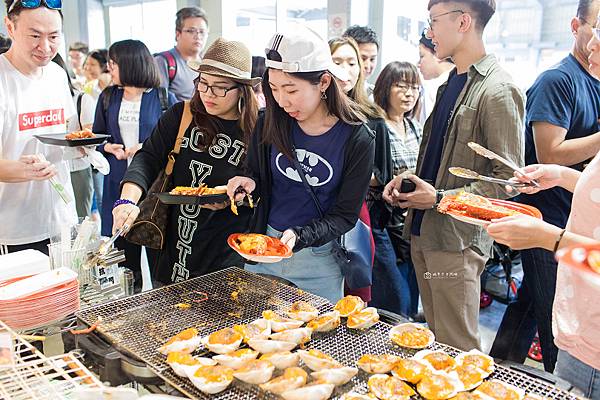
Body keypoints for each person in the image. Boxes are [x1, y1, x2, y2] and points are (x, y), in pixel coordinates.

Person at [383, 0, 525, 351]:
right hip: (424, 231)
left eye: (433, 21)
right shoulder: (450, 84)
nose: (429, 32)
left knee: (458, 348)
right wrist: (407, 180)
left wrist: (440, 199)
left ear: (463, 22)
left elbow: (508, 180)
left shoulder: (497, 88)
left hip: (457, 243)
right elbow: (438, 159)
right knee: (434, 341)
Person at [226, 25, 375, 304]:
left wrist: (301, 235)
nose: (282, 101)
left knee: (314, 341)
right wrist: (246, 182)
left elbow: (345, 215)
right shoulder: (269, 120)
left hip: (319, 261)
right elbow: (256, 174)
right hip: (262, 250)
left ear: (324, 83)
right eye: (274, 88)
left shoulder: (358, 137)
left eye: (291, 89)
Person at [489, 0, 600, 373]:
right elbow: (558, 157)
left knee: (546, 311)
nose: (594, 45)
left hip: (590, 342)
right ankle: (500, 366)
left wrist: (550, 239)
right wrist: (564, 176)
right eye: (595, 31)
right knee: (537, 302)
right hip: (559, 226)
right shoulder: (560, 80)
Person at [112, 38, 260, 285]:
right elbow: (147, 157)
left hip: (225, 253)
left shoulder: (258, 130)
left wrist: (241, 197)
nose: (208, 94)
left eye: (220, 87)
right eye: (203, 83)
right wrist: (127, 200)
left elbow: (264, 187)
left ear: (242, 88)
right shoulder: (182, 115)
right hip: (171, 244)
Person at [93, 39, 176, 288]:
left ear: (130, 64)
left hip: (152, 189)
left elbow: (176, 141)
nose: (109, 69)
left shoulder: (163, 97)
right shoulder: (108, 96)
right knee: (122, 254)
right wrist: (108, 147)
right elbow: (96, 137)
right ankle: (129, 298)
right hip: (117, 184)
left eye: (113, 63)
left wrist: (146, 148)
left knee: (155, 249)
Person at [0, 0, 77, 254]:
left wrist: (85, 148)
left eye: (54, 36)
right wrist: (26, 170)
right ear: (9, 27)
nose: (45, 47)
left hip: (63, 220)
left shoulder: (55, 74)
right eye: (35, 35)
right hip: (15, 229)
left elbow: (69, 134)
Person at [329, 35, 387, 302]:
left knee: (356, 295)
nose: (346, 69)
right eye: (337, 61)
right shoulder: (308, 115)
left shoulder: (372, 117)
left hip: (356, 217)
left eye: (352, 62)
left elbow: (382, 175)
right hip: (310, 212)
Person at [372, 61, 423, 319]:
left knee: (411, 293)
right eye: (401, 86)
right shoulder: (375, 125)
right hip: (382, 217)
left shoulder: (415, 127)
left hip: (411, 219)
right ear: (385, 88)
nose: (408, 93)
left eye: (414, 87)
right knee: (393, 293)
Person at [52, 53, 96, 219]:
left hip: (77, 168)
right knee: (57, 219)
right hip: (50, 170)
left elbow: (90, 140)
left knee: (81, 219)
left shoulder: (81, 100)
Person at [155, 6, 209, 102]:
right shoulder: (164, 62)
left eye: (202, 31)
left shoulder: (208, 63)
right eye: (191, 31)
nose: (198, 36)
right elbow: (159, 102)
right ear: (178, 34)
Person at [417, 31, 454, 122]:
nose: (418, 64)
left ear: (438, 54)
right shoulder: (465, 78)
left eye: (422, 56)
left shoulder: (433, 87)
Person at [343, 25, 379, 95]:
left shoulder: (374, 95)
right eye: (362, 58)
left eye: (372, 59)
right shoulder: (328, 92)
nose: (367, 66)